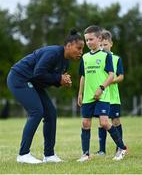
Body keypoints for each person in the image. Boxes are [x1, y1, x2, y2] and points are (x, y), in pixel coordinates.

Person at [7, 29, 84, 164]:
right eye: (78, 48)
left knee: (51, 113)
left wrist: (61, 81)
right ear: (69, 45)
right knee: (36, 112)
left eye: (82, 49)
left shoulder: (65, 62)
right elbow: (38, 73)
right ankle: (23, 154)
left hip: (33, 82)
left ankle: (49, 155)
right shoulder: (53, 53)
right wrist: (58, 78)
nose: (81, 52)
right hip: (19, 78)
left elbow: (46, 80)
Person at [77, 25, 127, 162]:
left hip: (102, 95)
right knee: (85, 123)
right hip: (88, 96)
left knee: (104, 122)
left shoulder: (106, 56)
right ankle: (85, 154)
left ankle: (122, 148)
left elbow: (111, 75)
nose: (88, 43)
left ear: (99, 39)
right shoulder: (85, 57)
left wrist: (101, 88)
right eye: (86, 40)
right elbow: (83, 76)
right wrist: (80, 94)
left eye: (91, 39)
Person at [96, 30, 125, 155]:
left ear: (111, 44)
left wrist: (110, 81)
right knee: (102, 122)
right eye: (101, 45)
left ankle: (119, 147)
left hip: (113, 97)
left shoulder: (116, 59)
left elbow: (121, 76)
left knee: (115, 121)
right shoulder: (97, 58)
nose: (103, 47)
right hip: (101, 96)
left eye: (105, 45)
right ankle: (102, 150)